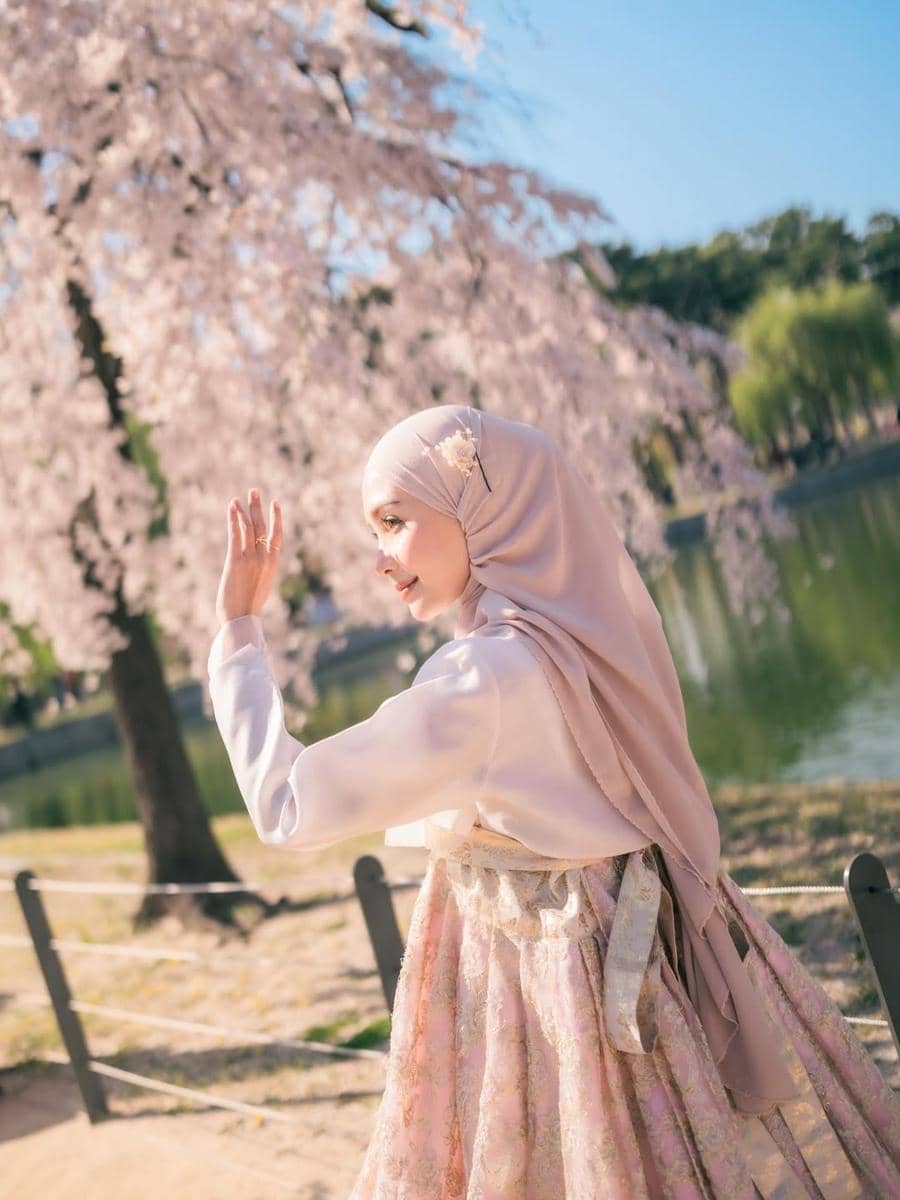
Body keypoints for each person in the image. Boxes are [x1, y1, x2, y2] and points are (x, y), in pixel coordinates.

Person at [208, 404, 900, 1199]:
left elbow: (288, 806)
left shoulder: (482, 680)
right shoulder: (597, 634)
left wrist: (236, 634)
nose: (382, 560)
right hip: (645, 966)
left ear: (484, 513)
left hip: (542, 989)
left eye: (397, 522)